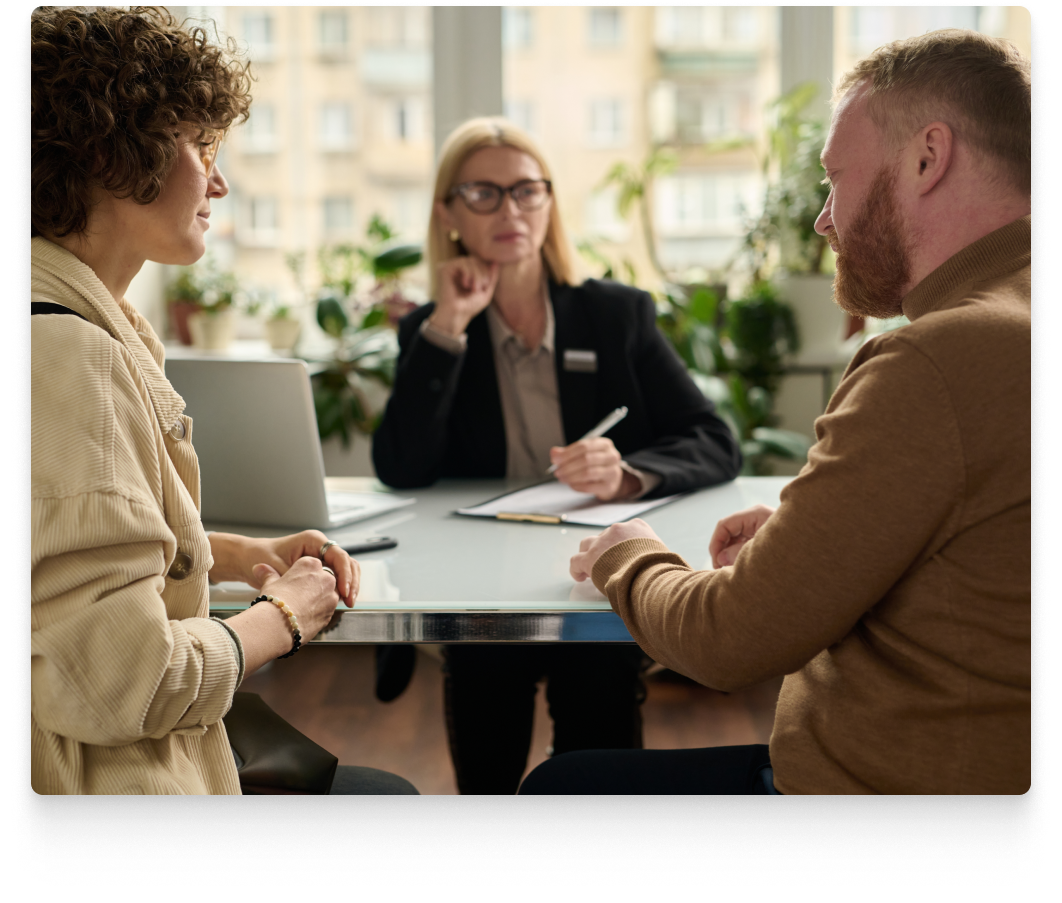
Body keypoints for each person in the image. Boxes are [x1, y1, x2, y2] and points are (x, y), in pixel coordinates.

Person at [520, 28, 1032, 796]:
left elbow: (728, 640)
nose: (825, 220)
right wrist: (815, 543)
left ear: (928, 157)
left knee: (561, 790)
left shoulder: (937, 358)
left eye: (836, 179)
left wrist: (626, 552)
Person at [30, 6, 416, 795]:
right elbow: (127, 682)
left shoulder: (76, 323)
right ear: (114, 149)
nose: (220, 180)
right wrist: (285, 616)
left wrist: (233, 556)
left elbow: (59, 569)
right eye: (200, 145)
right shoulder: (74, 358)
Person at [371, 117, 742, 794]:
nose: (510, 210)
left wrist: (629, 473)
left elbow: (713, 438)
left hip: (588, 569)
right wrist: (448, 328)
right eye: (483, 193)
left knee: (597, 741)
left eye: (526, 190)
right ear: (448, 212)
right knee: (487, 717)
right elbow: (402, 465)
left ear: (549, 202)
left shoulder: (613, 314)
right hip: (481, 580)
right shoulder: (432, 329)